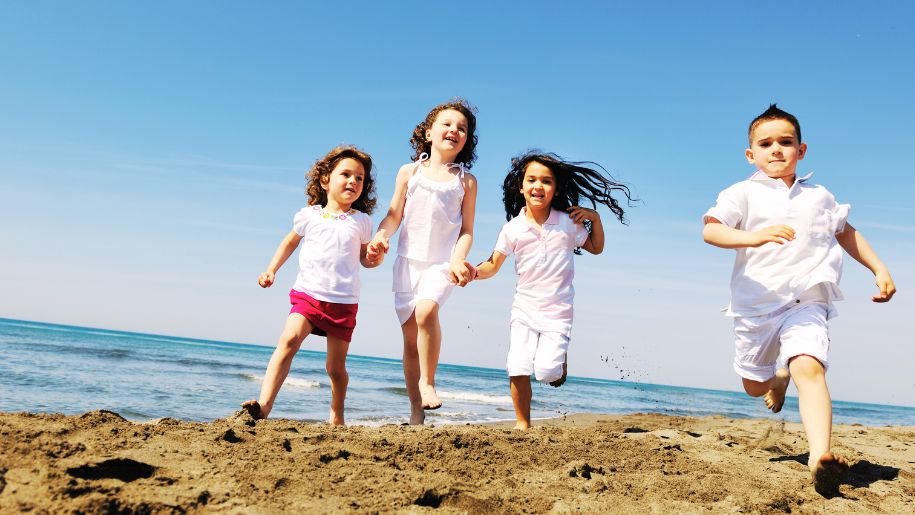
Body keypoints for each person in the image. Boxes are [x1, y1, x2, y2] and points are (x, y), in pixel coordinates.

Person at [703, 104, 896, 495]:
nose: (776, 149)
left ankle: (820, 457)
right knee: (753, 387)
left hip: (807, 299)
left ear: (801, 150)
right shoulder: (741, 193)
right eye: (766, 143)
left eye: (786, 142)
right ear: (751, 154)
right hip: (755, 305)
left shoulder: (819, 196)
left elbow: (846, 233)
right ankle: (777, 377)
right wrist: (751, 236)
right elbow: (712, 231)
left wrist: (879, 268)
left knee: (810, 366)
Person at [472, 151, 633, 430]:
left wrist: (595, 218)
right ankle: (523, 425)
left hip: (558, 312)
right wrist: (473, 272)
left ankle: (560, 362)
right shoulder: (512, 229)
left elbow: (595, 248)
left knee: (547, 372)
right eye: (531, 180)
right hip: (524, 308)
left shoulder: (568, 222)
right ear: (520, 186)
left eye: (546, 181)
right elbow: (493, 265)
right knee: (518, 365)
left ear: (556, 188)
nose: (538, 186)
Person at [242, 146, 383, 426]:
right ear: (325, 180)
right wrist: (271, 269)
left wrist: (374, 257)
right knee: (288, 340)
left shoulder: (362, 221)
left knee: (335, 368)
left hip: (343, 301)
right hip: (308, 295)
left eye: (360, 178)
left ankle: (336, 416)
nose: (354, 181)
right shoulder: (309, 215)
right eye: (346, 174)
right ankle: (264, 406)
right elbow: (289, 243)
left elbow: (365, 259)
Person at [369, 99, 479, 424]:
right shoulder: (410, 172)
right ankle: (416, 412)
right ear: (429, 133)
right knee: (409, 342)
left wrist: (459, 259)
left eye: (462, 128)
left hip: (442, 264)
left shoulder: (466, 181)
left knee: (427, 311)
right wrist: (380, 237)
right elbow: (393, 216)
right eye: (447, 124)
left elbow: (468, 230)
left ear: (465, 141)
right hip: (407, 264)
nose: (454, 131)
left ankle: (428, 382)